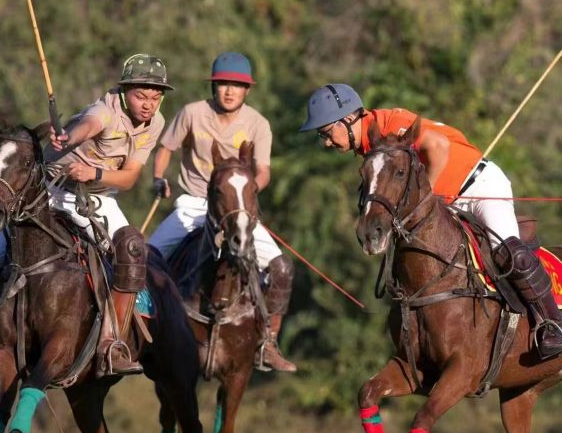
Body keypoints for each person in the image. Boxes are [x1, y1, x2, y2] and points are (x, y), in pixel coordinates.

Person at [299, 83, 562, 358]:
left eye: (326, 133)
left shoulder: (391, 126)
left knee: (510, 253)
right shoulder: (372, 149)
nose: (326, 142)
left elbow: (438, 146)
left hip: (479, 187)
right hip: (448, 204)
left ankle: (551, 324)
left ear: (348, 119)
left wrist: (427, 198)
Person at [0, 54, 174, 374]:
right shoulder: (103, 111)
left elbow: (128, 178)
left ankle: (112, 344)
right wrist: (67, 138)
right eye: (141, 95)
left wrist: (94, 174)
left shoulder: (156, 123)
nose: (148, 104)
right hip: (52, 193)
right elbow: (87, 127)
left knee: (132, 250)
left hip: (99, 197)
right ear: (124, 91)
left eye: (156, 97)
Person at [148, 51, 296, 372]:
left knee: (281, 267)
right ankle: (142, 332)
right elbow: (165, 149)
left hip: (237, 208)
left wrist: (247, 193)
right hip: (194, 203)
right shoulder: (192, 113)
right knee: (147, 257)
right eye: (222, 84)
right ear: (213, 87)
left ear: (247, 90)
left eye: (236, 85)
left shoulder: (258, 124)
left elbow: (264, 170)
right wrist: (159, 178)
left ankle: (268, 342)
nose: (228, 91)